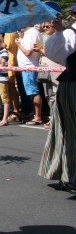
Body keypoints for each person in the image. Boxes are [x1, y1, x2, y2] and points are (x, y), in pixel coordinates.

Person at [39, 15, 76, 193]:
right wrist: (60, 31)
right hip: (73, 85)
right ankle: (70, 175)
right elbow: (57, 54)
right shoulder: (69, 33)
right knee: (68, 131)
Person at [16, 24, 44, 125]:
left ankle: (38, 116)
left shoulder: (32, 33)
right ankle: (35, 115)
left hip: (30, 67)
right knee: (31, 92)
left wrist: (18, 44)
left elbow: (28, 52)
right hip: (26, 67)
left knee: (34, 91)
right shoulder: (27, 33)